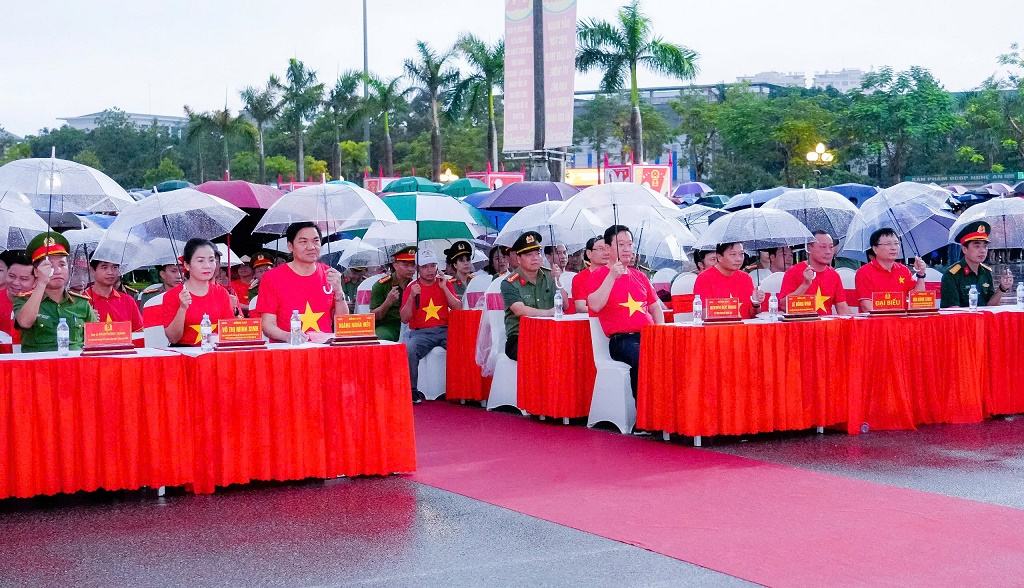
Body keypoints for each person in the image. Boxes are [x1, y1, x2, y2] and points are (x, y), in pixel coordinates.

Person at [587, 225, 664, 399]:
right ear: (608, 248)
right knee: (643, 360)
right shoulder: (598, 275)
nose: (627, 249)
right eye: (621, 245)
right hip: (622, 339)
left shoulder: (640, 276)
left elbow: (655, 307)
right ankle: (645, 418)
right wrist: (611, 276)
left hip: (649, 334)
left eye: (629, 244)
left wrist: (661, 330)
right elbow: (595, 305)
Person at [256, 222, 348, 343]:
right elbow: (267, 325)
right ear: (290, 246)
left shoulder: (330, 274)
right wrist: (288, 336)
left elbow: (343, 322)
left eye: (316, 241)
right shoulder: (272, 277)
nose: (311, 247)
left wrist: (339, 292)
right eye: (303, 242)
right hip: (288, 350)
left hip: (324, 349)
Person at [14, 232, 98, 353]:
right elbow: (24, 322)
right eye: (49, 265)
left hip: (75, 367)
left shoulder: (82, 303)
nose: (58, 270)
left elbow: (95, 340)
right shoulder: (24, 300)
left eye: (62, 264)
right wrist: (42, 283)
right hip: (39, 368)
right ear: (36, 272)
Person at [400, 249, 462, 403]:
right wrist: (412, 297)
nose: (430, 271)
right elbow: (404, 319)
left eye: (433, 266)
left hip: (444, 329)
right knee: (410, 349)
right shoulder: (411, 288)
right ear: (418, 269)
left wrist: (445, 289)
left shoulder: (445, 282)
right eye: (425, 267)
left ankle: (461, 389)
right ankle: (412, 391)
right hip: (421, 333)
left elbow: (458, 308)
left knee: (463, 345)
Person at [500, 231, 567, 360]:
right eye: (529, 254)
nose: (535, 258)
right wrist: (548, 312)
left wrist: (557, 280)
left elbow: (565, 305)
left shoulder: (549, 275)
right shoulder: (509, 283)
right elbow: (519, 309)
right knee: (540, 352)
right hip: (521, 335)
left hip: (549, 333)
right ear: (519, 259)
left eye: (537, 253)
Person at [161, 238, 236, 346]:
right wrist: (182, 309)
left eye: (211, 260)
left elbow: (228, 334)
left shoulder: (221, 293)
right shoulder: (172, 295)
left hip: (215, 355)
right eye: (200, 260)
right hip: (186, 357)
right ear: (187, 265)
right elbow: (173, 338)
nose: (207, 266)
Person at [940, 222, 1014, 308]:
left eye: (985, 246)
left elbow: (990, 305)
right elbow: (952, 311)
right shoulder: (952, 275)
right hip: (963, 320)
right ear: (964, 249)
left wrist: (1002, 288)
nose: (982, 250)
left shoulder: (986, 272)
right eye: (977, 246)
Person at [779, 231, 852, 315]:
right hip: (802, 325)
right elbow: (784, 306)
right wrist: (805, 285)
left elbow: (842, 307)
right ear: (809, 249)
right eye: (823, 247)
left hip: (826, 325)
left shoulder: (834, 275)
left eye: (831, 247)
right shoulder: (793, 272)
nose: (828, 251)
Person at [854, 228, 927, 312]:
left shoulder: (903, 270)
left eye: (896, 243)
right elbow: (866, 306)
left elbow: (918, 300)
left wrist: (921, 275)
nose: (894, 248)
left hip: (902, 321)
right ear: (875, 249)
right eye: (888, 244)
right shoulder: (864, 272)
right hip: (876, 323)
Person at [693, 242, 766, 319]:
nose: (739, 259)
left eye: (741, 254)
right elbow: (704, 315)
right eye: (733, 254)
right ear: (719, 257)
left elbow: (753, 317)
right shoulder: (704, 278)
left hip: (744, 328)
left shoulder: (746, 278)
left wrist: (756, 303)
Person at [370, 246, 417, 342]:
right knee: (379, 338)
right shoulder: (382, 285)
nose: (411, 269)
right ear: (395, 265)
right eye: (405, 265)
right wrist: (388, 302)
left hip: (413, 325)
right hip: (389, 326)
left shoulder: (416, 284)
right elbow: (373, 317)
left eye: (413, 265)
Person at [85, 258, 143, 331]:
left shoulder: (128, 301)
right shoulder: (83, 301)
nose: (110, 272)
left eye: (114, 267)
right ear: (93, 270)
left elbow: (139, 332)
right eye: (104, 267)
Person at [0, 251, 34, 353]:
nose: (15, 283)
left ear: (36, 282)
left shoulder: (41, 303)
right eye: (11, 276)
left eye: (23, 279)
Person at [573, 237, 611, 313]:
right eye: (601, 249)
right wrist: (608, 312)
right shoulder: (580, 278)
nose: (606, 253)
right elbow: (580, 307)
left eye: (608, 249)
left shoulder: (615, 274)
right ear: (589, 253)